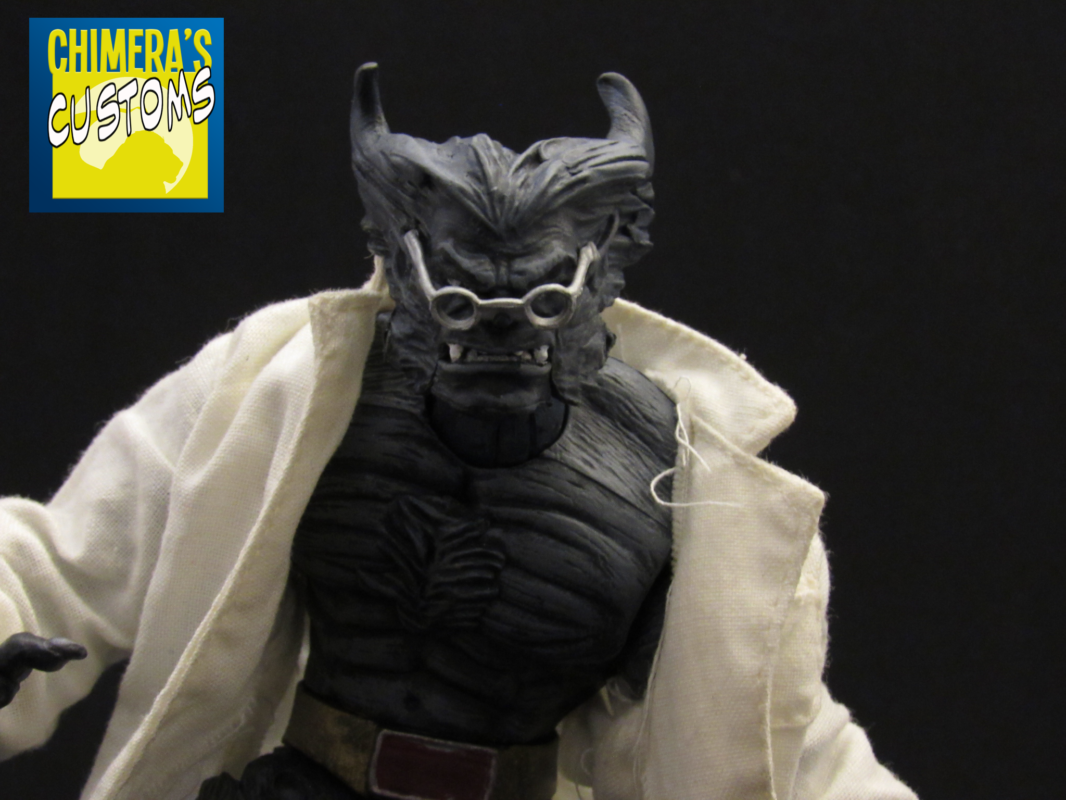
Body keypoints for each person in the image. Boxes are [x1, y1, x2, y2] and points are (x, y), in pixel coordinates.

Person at [0, 65, 917, 800]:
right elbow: (65, 560)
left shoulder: (675, 479)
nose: (500, 331)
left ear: (599, 277)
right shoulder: (288, 389)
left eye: (540, 297)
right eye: (462, 297)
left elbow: (773, 723)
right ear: (401, 266)